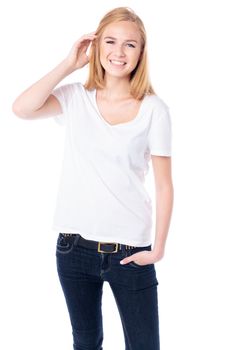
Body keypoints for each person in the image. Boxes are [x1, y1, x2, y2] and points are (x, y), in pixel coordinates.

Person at [12, 6, 173, 350]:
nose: (119, 52)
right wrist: (69, 64)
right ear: (96, 46)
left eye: (130, 45)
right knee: (85, 342)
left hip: (131, 251)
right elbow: (22, 109)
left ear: (141, 53)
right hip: (73, 248)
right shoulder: (74, 99)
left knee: (145, 344)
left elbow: (163, 184)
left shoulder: (154, 110)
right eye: (110, 42)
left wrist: (157, 249)